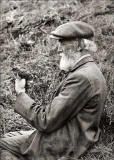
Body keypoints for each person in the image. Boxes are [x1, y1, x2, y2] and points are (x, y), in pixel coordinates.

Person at [0, 21, 107, 160]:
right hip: (73, 135)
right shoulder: (89, 70)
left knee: (2, 144)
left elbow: (46, 121)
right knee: (9, 136)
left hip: (63, 144)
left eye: (62, 42)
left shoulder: (81, 77)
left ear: (80, 45)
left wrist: (21, 93)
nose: (58, 49)